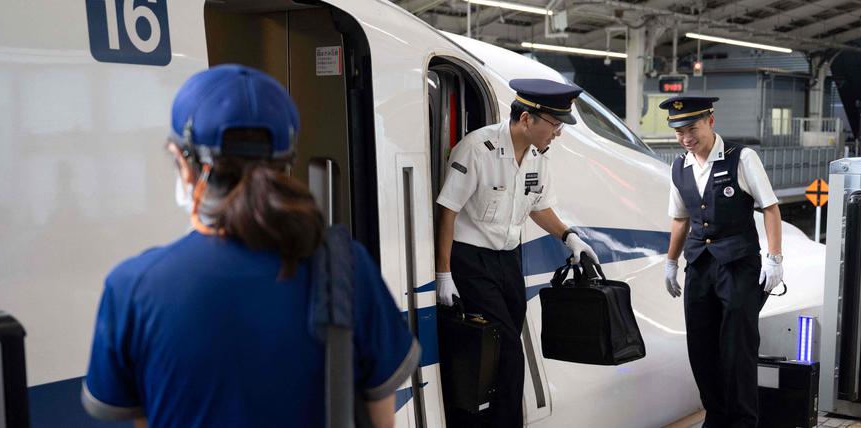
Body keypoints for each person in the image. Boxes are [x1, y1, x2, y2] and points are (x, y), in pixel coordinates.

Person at [81, 64, 419, 428]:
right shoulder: (347, 266)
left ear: (183, 161)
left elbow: (140, 417)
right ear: (286, 164)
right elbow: (381, 418)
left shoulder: (133, 286)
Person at [435, 78, 599, 427]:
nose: (557, 133)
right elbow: (447, 211)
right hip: (472, 261)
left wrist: (569, 236)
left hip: (509, 261)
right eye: (554, 125)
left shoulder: (538, 158)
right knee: (502, 349)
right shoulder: (478, 149)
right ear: (527, 119)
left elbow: (538, 207)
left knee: (507, 351)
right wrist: (444, 273)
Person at [660, 96, 784, 428]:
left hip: (738, 266)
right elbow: (679, 219)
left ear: (710, 121)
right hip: (699, 265)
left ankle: (742, 421)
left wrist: (774, 259)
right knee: (700, 346)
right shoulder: (679, 166)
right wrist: (671, 262)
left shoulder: (741, 158)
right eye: (679, 131)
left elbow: (770, 208)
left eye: (692, 128)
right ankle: (715, 416)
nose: (686, 138)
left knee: (738, 348)